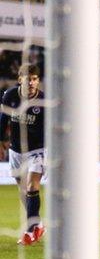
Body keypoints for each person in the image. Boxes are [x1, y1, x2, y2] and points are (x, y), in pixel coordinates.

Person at [0, 64, 46, 245]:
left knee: (32, 186)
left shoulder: (43, 101)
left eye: (35, 78)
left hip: (38, 150)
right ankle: (38, 224)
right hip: (16, 149)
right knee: (23, 191)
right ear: (20, 80)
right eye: (28, 78)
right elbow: (3, 120)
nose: (32, 82)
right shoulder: (10, 96)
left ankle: (29, 230)